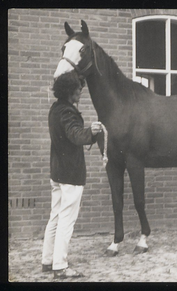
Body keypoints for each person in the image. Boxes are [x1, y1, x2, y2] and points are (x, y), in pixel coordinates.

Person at [41, 72, 102, 279]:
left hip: (57, 172)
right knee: (66, 220)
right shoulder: (68, 112)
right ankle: (61, 267)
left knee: (55, 217)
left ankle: (48, 261)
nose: (80, 91)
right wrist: (92, 131)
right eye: (78, 88)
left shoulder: (55, 109)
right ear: (69, 91)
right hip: (70, 175)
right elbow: (76, 135)